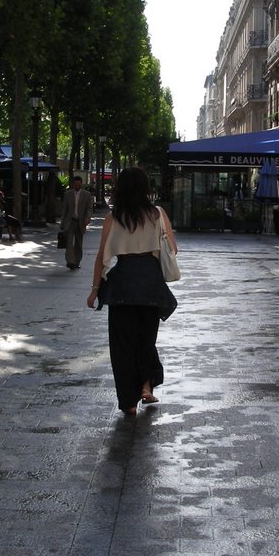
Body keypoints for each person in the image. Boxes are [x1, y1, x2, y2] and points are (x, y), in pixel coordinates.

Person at [86, 167, 178, 416]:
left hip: (123, 284)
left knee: (122, 344)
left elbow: (101, 257)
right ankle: (146, 386)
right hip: (150, 283)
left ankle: (128, 401)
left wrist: (95, 290)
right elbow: (173, 249)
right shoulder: (158, 214)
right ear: (145, 188)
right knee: (146, 339)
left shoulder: (113, 217)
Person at [60, 175, 93, 269]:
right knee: (69, 243)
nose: (77, 186)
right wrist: (62, 223)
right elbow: (64, 210)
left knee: (78, 243)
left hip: (81, 222)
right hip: (70, 221)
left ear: (81, 184)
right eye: (75, 185)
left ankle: (77, 261)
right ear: (73, 184)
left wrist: (88, 217)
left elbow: (89, 208)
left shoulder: (87, 195)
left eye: (79, 185)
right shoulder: (68, 194)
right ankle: (70, 261)